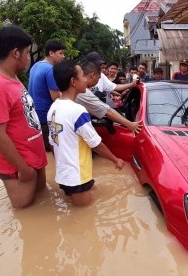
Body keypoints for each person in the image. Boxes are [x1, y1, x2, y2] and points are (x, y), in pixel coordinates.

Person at [0, 25, 47, 209]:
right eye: (27, 53)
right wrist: (24, 170)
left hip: (33, 156)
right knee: (25, 210)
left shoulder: (14, 77)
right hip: (18, 165)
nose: (28, 58)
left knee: (42, 202)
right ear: (16, 53)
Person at [48, 59, 124, 206]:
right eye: (82, 75)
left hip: (64, 174)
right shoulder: (77, 111)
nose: (85, 79)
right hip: (77, 176)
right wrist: (115, 160)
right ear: (73, 82)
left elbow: (53, 144)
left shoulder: (53, 108)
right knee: (83, 217)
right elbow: (96, 144)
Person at [75, 52, 141, 133]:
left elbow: (114, 87)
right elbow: (107, 111)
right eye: (98, 78)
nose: (101, 68)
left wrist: (131, 84)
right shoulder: (82, 92)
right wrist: (130, 124)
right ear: (92, 74)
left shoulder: (83, 86)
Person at [28, 39, 66, 152]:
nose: (63, 56)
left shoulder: (36, 66)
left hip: (33, 116)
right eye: (61, 53)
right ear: (51, 53)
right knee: (52, 151)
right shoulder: (50, 70)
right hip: (45, 117)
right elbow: (55, 98)